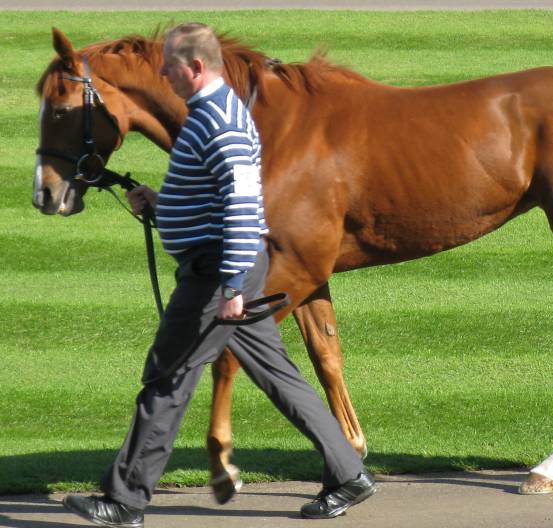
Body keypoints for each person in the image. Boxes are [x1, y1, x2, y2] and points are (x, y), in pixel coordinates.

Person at [62, 23, 375, 527]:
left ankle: (125, 500)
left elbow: (244, 206)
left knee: (167, 378)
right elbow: (213, 196)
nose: (163, 75)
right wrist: (162, 205)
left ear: (195, 67)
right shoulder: (208, 113)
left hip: (217, 275)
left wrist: (230, 286)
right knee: (278, 374)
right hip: (223, 268)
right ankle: (349, 474)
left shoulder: (221, 123)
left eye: (170, 67)